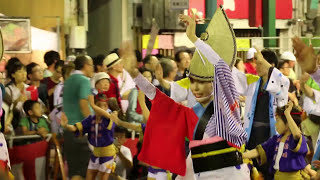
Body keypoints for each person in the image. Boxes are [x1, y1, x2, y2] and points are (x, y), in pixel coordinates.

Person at [122, 8, 249, 179]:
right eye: (193, 81)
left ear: (215, 82)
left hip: (228, 173)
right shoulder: (190, 113)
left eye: (202, 81)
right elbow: (156, 96)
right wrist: (133, 73)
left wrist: (194, 39)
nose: (195, 87)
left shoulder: (226, 106)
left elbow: (221, 67)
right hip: (197, 170)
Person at [243, 101, 308, 179]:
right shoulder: (276, 139)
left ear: (287, 124)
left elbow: (297, 134)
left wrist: (287, 113)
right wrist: (242, 156)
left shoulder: (297, 139)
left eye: (277, 120)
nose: (275, 124)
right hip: (277, 176)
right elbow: (259, 150)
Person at [61, 92, 119, 180]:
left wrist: (92, 104)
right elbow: (75, 128)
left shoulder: (111, 117)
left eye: (105, 106)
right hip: (95, 153)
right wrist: (66, 125)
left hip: (107, 154)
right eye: (99, 105)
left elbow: (107, 115)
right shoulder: (90, 119)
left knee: (103, 178)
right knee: (89, 177)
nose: (102, 108)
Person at [63, 55, 94, 179]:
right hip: (80, 132)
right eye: (91, 65)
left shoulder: (69, 80)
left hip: (68, 132)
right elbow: (83, 104)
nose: (92, 69)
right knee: (85, 170)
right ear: (86, 65)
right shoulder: (84, 80)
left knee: (74, 171)